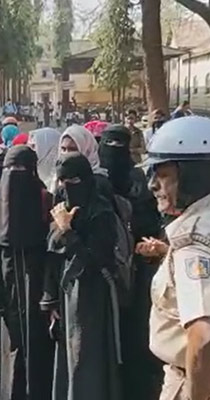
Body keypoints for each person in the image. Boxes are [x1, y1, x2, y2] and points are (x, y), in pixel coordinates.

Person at [44, 152, 122, 400]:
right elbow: (52, 254)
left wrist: (67, 230)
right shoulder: (61, 207)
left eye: (74, 180)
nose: (67, 186)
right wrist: (51, 300)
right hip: (66, 293)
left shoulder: (101, 212)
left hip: (93, 294)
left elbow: (94, 259)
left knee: (87, 359)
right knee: (68, 359)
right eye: (62, 180)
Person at [143, 116, 210, 400]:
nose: (152, 185)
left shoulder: (192, 242)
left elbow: (203, 338)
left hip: (190, 382)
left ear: (193, 176)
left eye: (163, 175)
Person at [98, 125, 163, 400]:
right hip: (105, 274)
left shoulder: (140, 182)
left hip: (140, 274)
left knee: (137, 340)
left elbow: (153, 221)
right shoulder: (96, 183)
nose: (113, 153)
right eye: (108, 145)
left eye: (119, 146)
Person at [0, 145, 54, 399]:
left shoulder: (45, 199)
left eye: (21, 168)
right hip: (10, 283)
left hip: (38, 281)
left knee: (39, 345)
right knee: (13, 345)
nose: (15, 174)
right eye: (11, 168)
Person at [28, 127, 61, 193]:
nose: (30, 150)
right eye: (29, 146)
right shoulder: (28, 175)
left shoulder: (61, 180)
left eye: (34, 146)